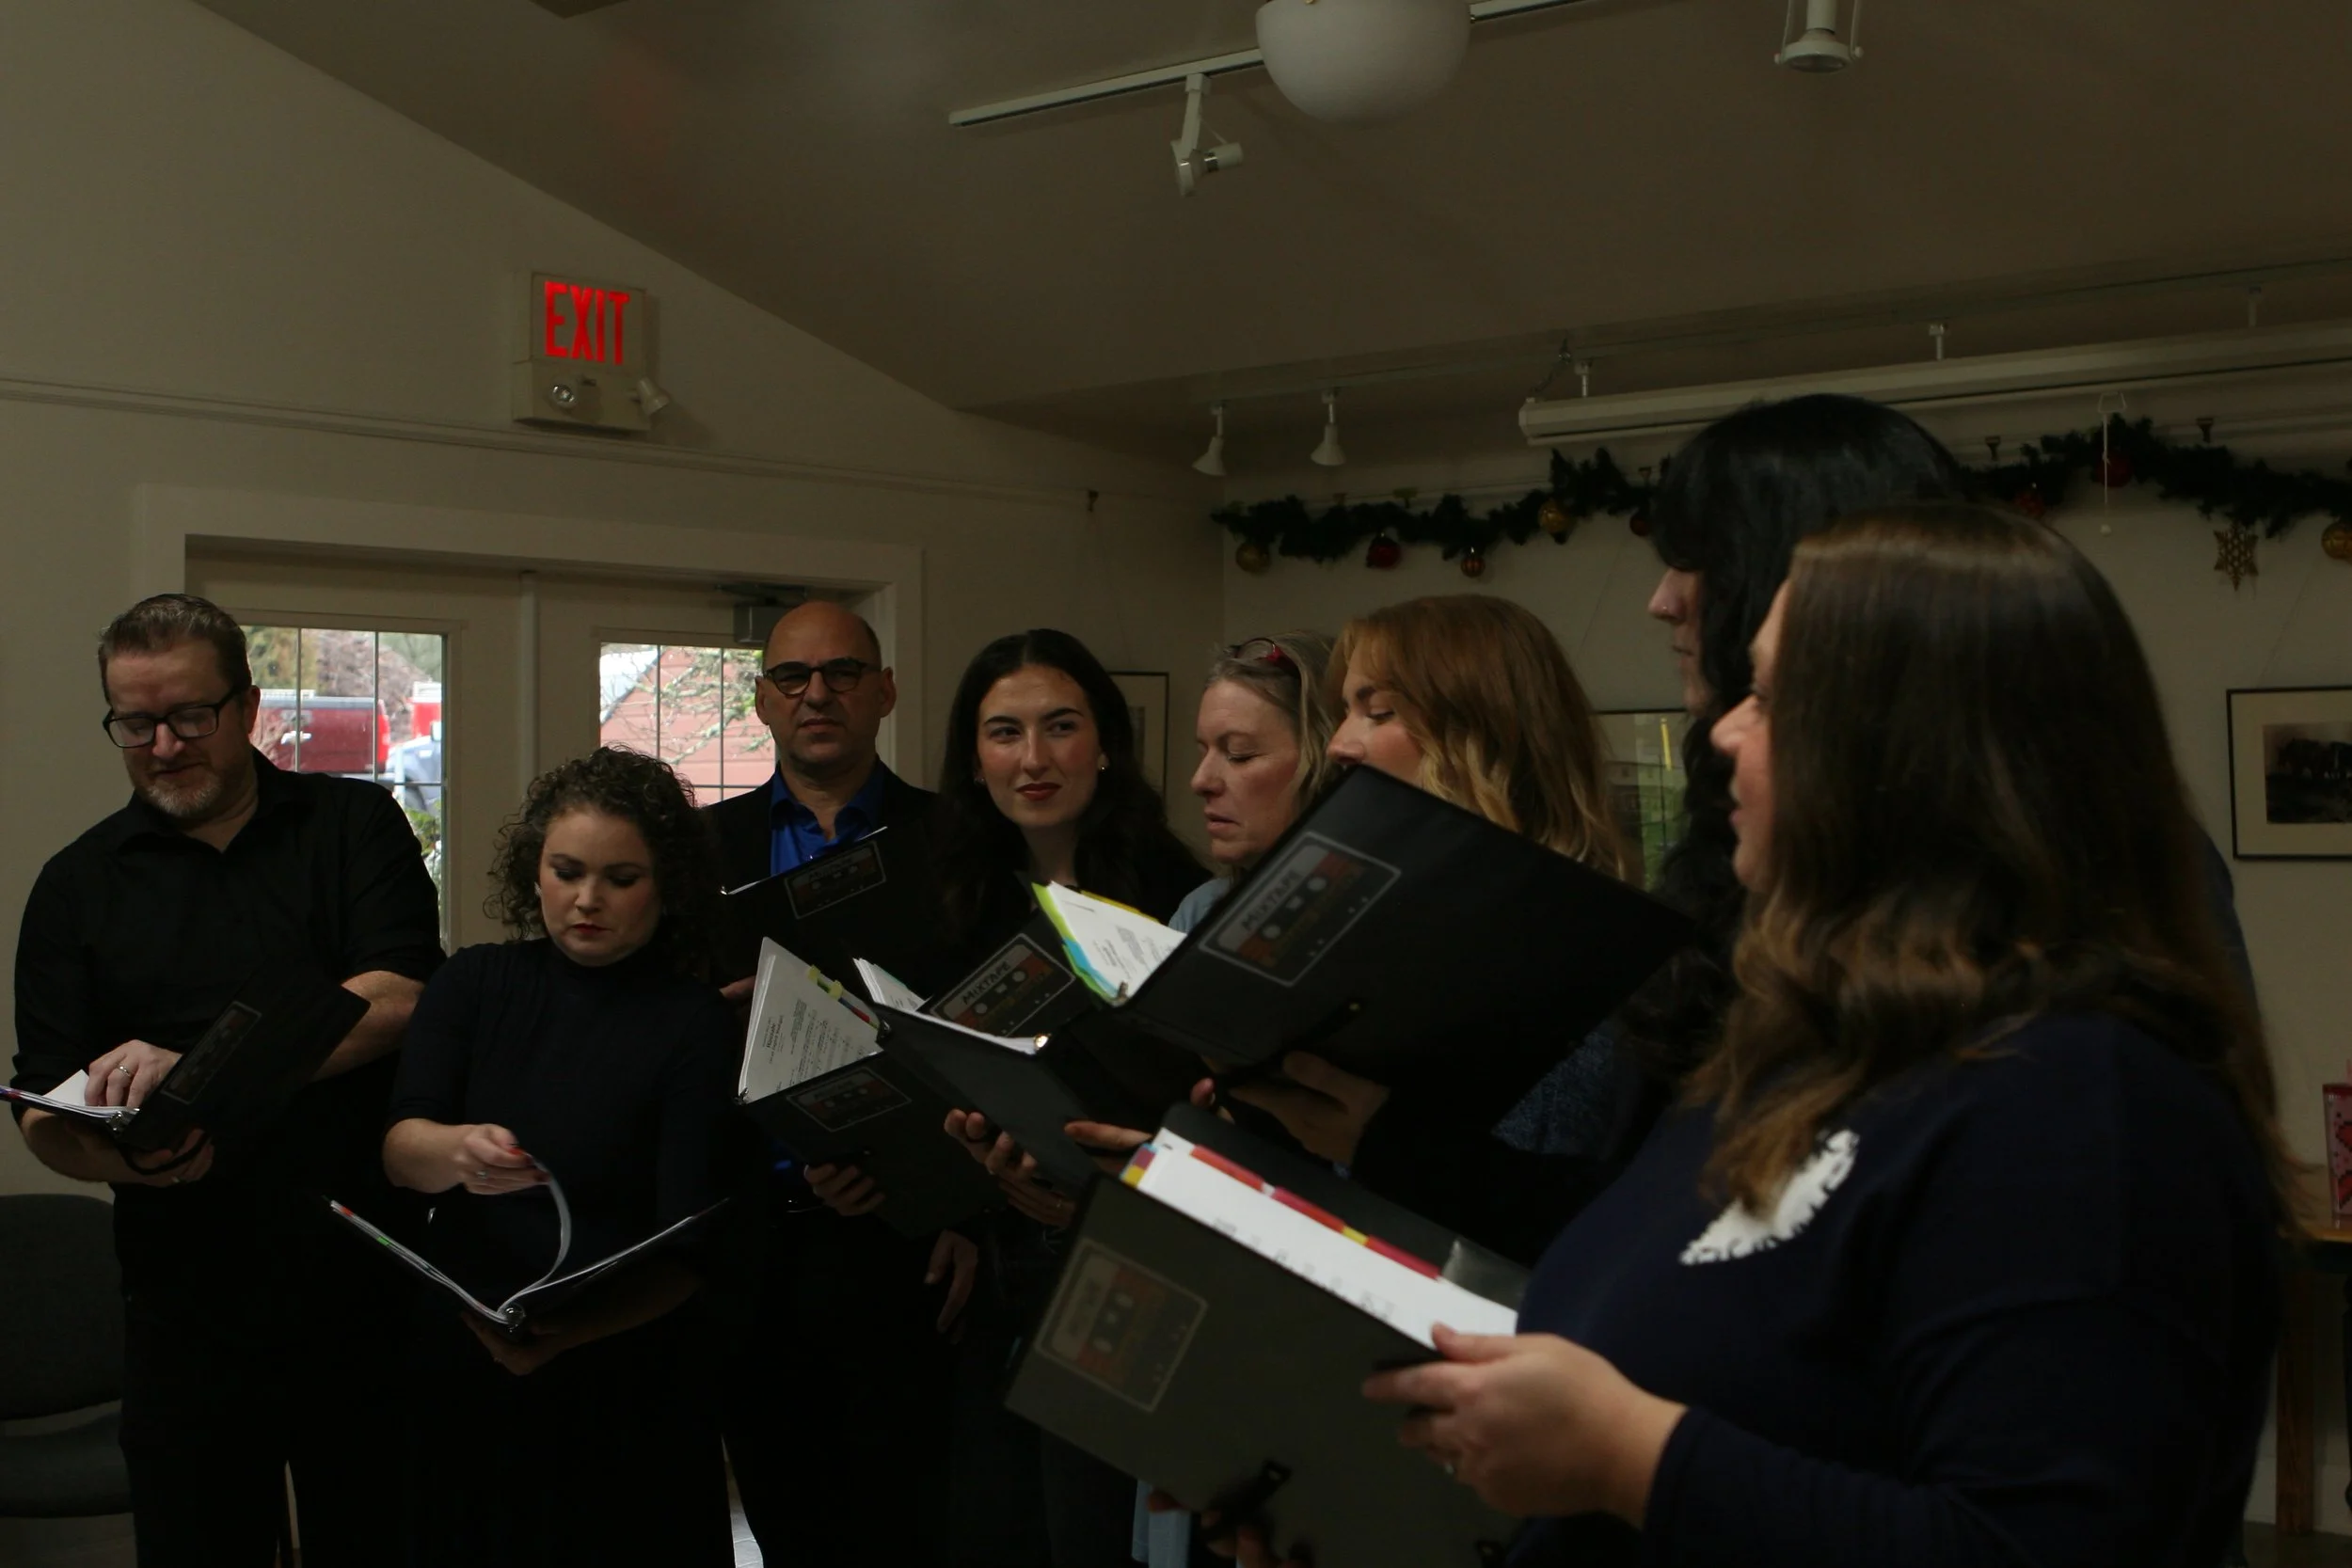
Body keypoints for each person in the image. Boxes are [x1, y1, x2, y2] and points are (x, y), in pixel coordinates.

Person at [1359, 504, 2295, 1568]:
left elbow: (2041, 1544)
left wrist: (1632, 1453)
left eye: (1764, 694)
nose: (1719, 730)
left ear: (1900, 752)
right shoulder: (1790, 1055)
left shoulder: (2082, 1101)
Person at [9, 593, 443, 1566]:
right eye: (135, 722)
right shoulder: (76, 883)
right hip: (183, 1304)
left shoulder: (351, 824)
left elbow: (403, 993)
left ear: (247, 708)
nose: (163, 745)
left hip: (359, 1280)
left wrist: (206, 1066)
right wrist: (115, 1154)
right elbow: (41, 1107)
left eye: (190, 716)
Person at [383, 747, 737, 1565]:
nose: (587, 900)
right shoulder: (473, 982)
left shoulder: (692, 1021)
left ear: (666, 885)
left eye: (621, 878)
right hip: (470, 1358)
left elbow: (689, 1247)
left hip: (624, 1373)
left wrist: (567, 1335)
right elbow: (403, 1151)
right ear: (532, 868)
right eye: (567, 870)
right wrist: (458, 1149)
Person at [1219, 594, 1639, 1264]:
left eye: (1377, 711)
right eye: (1346, 712)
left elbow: (1525, 1217)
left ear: (1480, 736)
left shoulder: (1561, 946)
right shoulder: (1412, 929)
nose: (1339, 745)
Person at [915, 626, 1201, 1568]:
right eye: (1004, 732)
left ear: (1107, 743)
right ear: (974, 756)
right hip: (1000, 1269)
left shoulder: (1181, 901)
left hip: (1138, 1272)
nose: (1032, 758)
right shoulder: (957, 897)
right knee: (995, 1529)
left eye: (1059, 726)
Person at [701, 598, 977, 1568]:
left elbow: (989, 1033)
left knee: (916, 1530)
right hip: (755, 1246)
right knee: (790, 1526)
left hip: (913, 1244)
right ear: (764, 699)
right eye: (792, 676)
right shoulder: (699, 853)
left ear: (885, 690)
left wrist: (957, 1200)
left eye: (843, 672)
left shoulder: (956, 841)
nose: (816, 692)